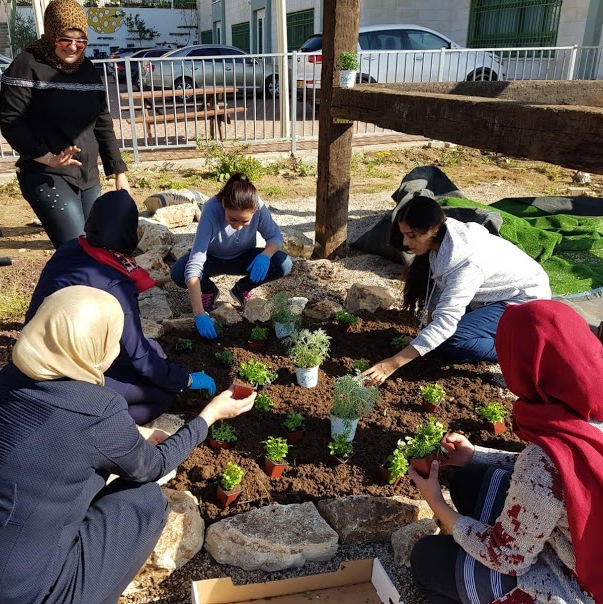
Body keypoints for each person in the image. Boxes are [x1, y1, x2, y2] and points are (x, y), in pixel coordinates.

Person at [0, 285, 256, 604]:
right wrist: (210, 416)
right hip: (30, 593)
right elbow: (154, 468)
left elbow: (58, 435)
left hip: (13, 551)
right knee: (144, 500)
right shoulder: (97, 409)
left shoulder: (9, 380)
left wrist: (130, 434)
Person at [409, 300, 602, 604]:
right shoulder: (588, 407)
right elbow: (564, 474)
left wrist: (437, 504)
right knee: (469, 480)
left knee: (427, 560)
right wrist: (474, 455)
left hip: (580, 587)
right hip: (590, 550)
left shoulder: (545, 462)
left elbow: (509, 558)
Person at [25, 190, 215, 425]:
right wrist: (185, 379)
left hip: (32, 351)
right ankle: (88, 426)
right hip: (65, 376)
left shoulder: (71, 249)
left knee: (152, 351)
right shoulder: (115, 282)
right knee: (159, 394)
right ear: (129, 232)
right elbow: (139, 357)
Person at [364, 196, 551, 384]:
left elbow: (445, 323)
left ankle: (523, 353)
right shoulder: (442, 241)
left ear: (433, 228)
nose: (405, 242)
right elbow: (439, 293)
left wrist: (393, 363)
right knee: (440, 346)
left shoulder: (467, 264)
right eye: (404, 234)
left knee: (449, 341)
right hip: (490, 297)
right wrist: (423, 340)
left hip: (524, 301)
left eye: (412, 235)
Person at [0, 0, 129, 249]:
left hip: (88, 175)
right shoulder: (27, 65)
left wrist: (118, 172)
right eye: (64, 40)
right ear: (51, 34)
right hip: (46, 174)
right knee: (77, 247)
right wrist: (45, 156)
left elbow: (102, 122)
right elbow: (11, 120)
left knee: (99, 246)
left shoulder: (88, 70)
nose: (73, 47)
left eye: (80, 41)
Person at [171, 172, 293, 340]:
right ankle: (208, 290)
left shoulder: (259, 206)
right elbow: (195, 263)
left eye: (245, 222)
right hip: (212, 259)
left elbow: (275, 237)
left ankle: (241, 289)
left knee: (283, 264)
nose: (238, 227)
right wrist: (199, 314)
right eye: (233, 219)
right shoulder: (211, 209)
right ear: (223, 205)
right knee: (179, 272)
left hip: (243, 259)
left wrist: (265, 255)